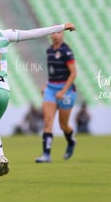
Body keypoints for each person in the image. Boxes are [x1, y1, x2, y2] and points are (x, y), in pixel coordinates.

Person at [0, 4, 76, 182]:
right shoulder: (4, 35)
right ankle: (1, 157)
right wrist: (61, 27)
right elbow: (33, 33)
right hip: (2, 91)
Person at [35, 29, 77, 163]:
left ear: (62, 34)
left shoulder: (66, 51)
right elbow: (52, 72)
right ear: (51, 34)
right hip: (51, 89)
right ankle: (46, 155)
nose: (56, 35)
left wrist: (63, 91)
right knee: (48, 121)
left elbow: (73, 73)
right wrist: (46, 85)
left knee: (63, 125)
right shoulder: (49, 50)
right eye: (54, 32)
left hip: (66, 90)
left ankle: (71, 140)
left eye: (59, 32)